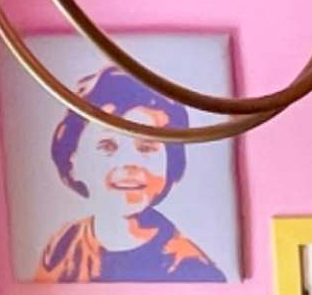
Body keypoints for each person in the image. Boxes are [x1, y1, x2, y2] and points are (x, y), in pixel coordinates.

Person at [28, 72, 227, 283]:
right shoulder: (63, 243)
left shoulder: (191, 267)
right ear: (72, 161)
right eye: (107, 146)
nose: (129, 162)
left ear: (171, 163)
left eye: (147, 147)